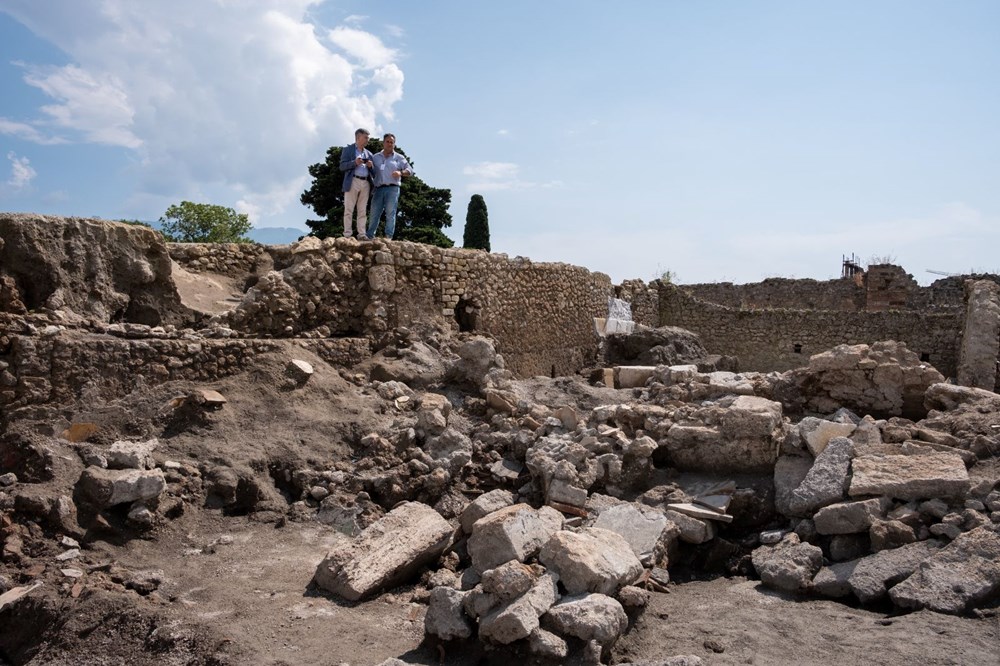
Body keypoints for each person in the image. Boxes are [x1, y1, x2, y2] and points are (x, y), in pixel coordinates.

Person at [366, 133, 413, 240]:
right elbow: (369, 170)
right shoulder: (375, 157)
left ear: (394, 144)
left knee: (390, 213)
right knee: (374, 212)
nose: (389, 144)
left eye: (392, 142)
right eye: (387, 141)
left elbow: (410, 170)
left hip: (393, 188)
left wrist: (401, 172)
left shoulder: (399, 158)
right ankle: (369, 236)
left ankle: (388, 237)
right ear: (383, 143)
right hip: (378, 188)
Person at [339, 128, 374, 239]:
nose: (368, 140)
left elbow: (374, 172)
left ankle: (362, 234)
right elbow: (342, 166)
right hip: (352, 180)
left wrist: (370, 166)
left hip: (365, 182)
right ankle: (347, 234)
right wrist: (355, 163)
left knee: (362, 210)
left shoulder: (369, 153)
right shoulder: (348, 150)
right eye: (366, 137)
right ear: (358, 137)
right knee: (349, 209)